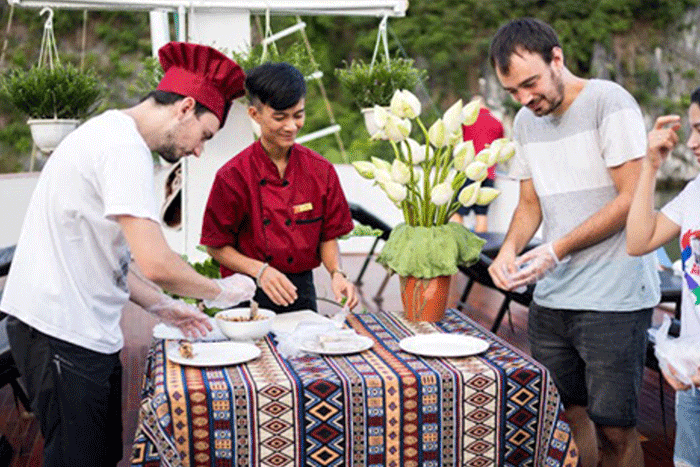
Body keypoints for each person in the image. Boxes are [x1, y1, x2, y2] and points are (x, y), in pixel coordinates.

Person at [0, 41, 258, 467]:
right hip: (61, 330)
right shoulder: (123, 150)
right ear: (185, 108)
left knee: (99, 456)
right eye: (204, 136)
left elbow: (113, 259)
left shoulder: (115, 135)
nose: (198, 150)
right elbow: (157, 263)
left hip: (79, 330)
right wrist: (222, 291)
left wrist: (164, 308)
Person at [486, 18, 660, 467]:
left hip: (615, 296)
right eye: (513, 92)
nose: (525, 99)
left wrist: (555, 249)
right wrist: (507, 251)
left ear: (557, 59)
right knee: (566, 415)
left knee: (616, 427)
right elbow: (529, 203)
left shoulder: (609, 102)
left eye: (531, 83)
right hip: (554, 296)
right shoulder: (526, 121)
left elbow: (631, 198)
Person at [201, 62, 358, 314]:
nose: (291, 126)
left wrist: (337, 273)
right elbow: (216, 245)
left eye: (298, 115)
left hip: (300, 291)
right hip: (246, 291)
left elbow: (328, 235)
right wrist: (260, 271)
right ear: (255, 114)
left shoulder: (321, 171)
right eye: (280, 117)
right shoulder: (232, 176)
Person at [627, 87, 700, 467]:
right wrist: (649, 168)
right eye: (691, 129)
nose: (691, 142)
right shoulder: (694, 193)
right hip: (692, 383)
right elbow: (639, 241)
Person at [450, 95, 504, 232]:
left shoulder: (467, 120)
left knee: (457, 212)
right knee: (481, 215)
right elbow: (499, 147)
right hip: (488, 173)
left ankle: (459, 247)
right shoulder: (497, 123)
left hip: (469, 171)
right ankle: (480, 251)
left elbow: (456, 140)